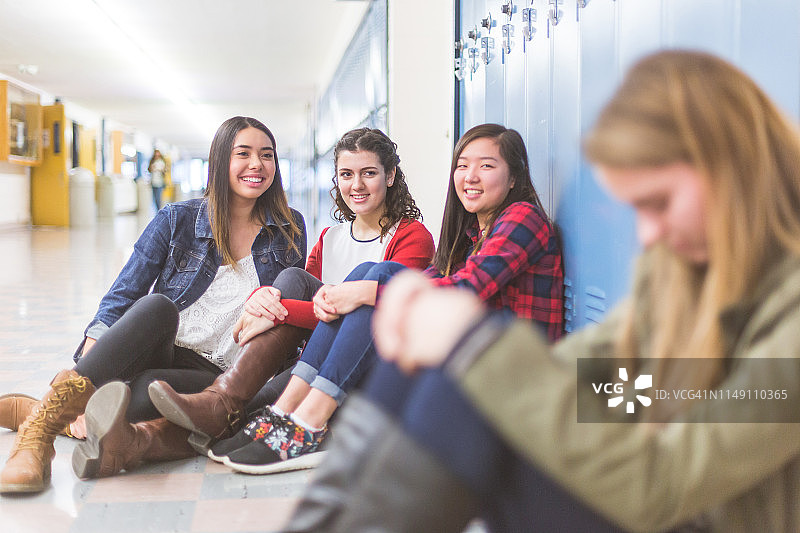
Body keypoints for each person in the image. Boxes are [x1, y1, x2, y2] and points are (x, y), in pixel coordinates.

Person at [282, 50, 800, 533]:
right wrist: (466, 353)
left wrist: (478, 348)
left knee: (468, 372)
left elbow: (663, 484)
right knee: (453, 374)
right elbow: (599, 371)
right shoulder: (683, 272)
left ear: (734, 169)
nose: (647, 235)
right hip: (648, 483)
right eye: (637, 209)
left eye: (660, 202)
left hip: (683, 508)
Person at [203, 122, 564, 475]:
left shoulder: (522, 219)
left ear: (514, 177)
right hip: (464, 356)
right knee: (371, 274)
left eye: (486, 166)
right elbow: (426, 282)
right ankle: (289, 414)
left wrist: (359, 294)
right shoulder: (473, 233)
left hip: (505, 368)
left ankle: (308, 420)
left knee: (373, 283)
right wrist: (354, 290)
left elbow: (466, 291)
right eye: (462, 165)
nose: (470, 176)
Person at [78, 127, 435, 476]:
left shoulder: (410, 237)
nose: (356, 185)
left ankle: (143, 439)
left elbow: (374, 313)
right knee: (146, 389)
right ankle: (81, 414)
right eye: (346, 174)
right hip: (312, 357)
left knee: (254, 400)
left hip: (359, 362)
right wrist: (261, 298)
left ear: (389, 177)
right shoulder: (330, 236)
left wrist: (280, 314)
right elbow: (298, 290)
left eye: (368, 173)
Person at [0, 116, 306, 493]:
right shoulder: (177, 219)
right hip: (163, 345)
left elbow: (280, 320)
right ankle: (39, 430)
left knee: (145, 394)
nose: (257, 165)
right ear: (220, 161)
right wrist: (88, 372)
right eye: (243, 154)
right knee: (157, 306)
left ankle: (53, 414)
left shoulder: (289, 228)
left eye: (267, 155)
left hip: (220, 377)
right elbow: (123, 295)